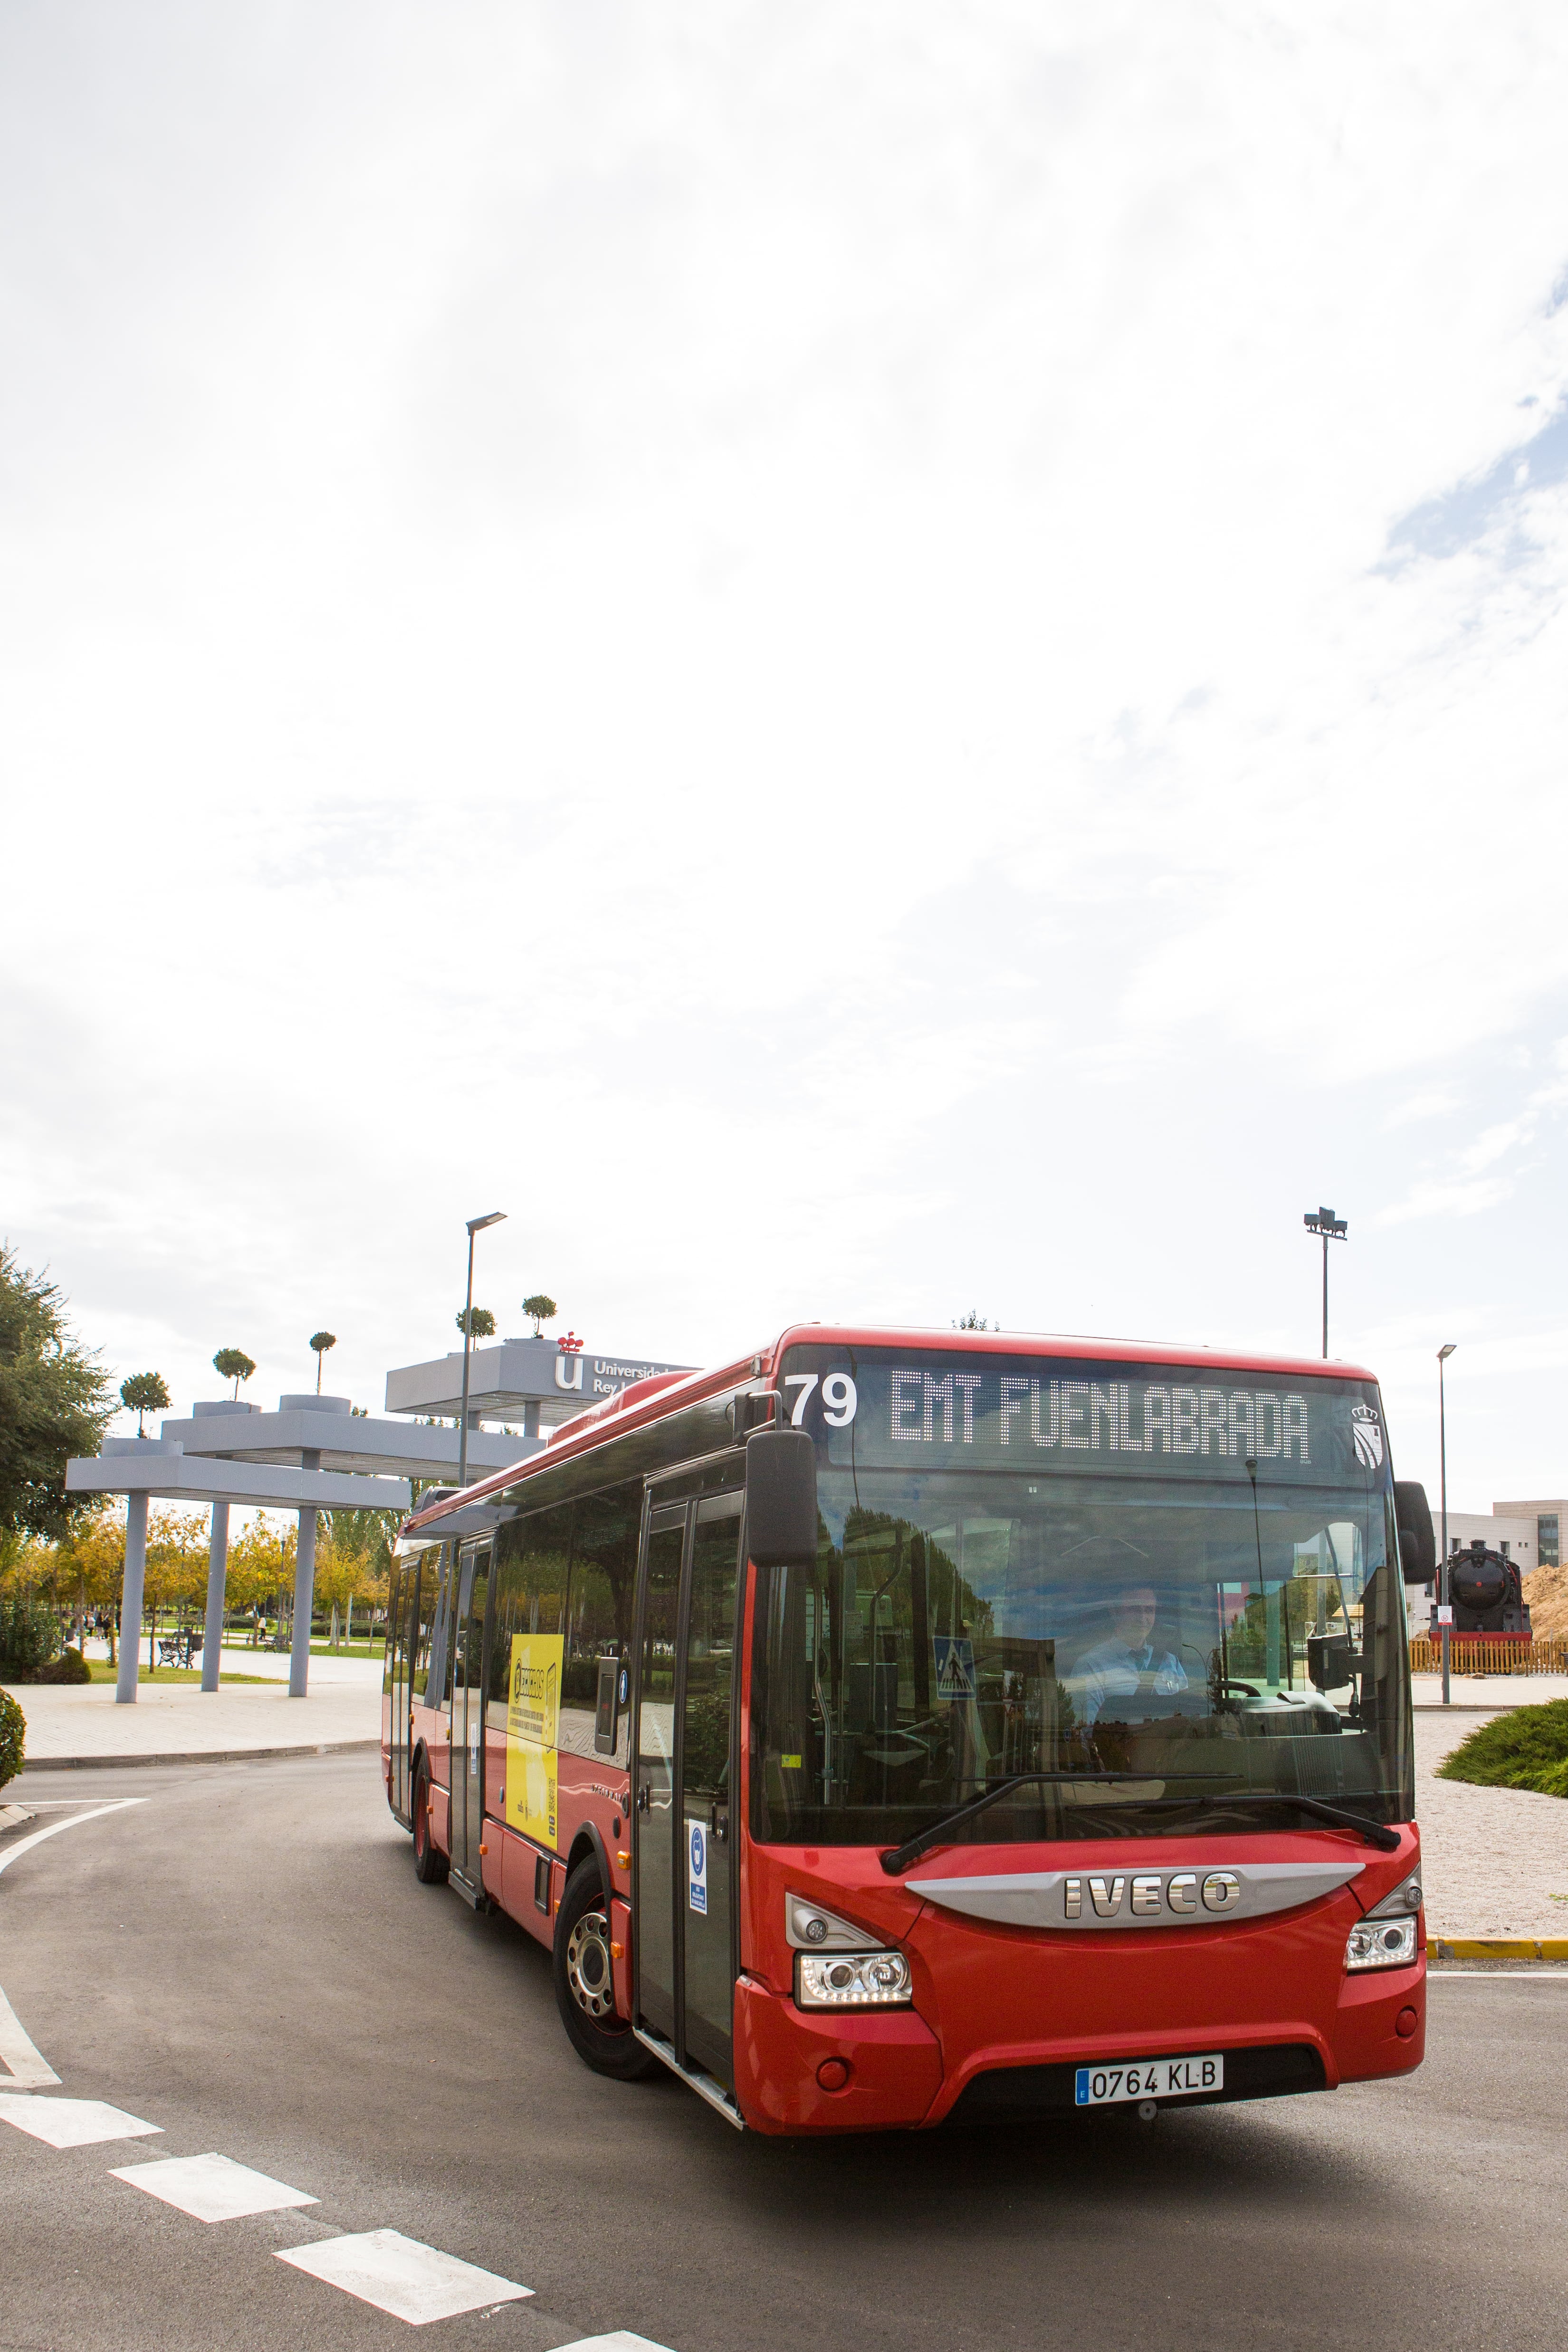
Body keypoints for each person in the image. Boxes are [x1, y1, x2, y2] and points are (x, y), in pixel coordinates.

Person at [1074, 1586, 1188, 1726]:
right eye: (1135, 1609)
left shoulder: (1170, 1662)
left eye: (1149, 1610)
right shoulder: (1091, 1666)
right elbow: (1084, 1732)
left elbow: (1189, 1720)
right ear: (1115, 1612)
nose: (1143, 1618)